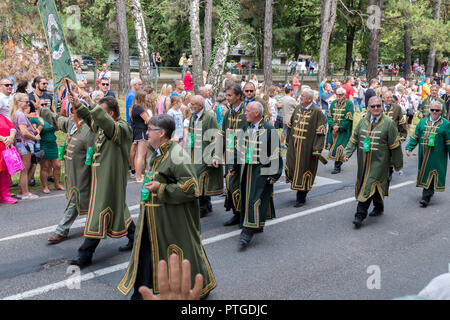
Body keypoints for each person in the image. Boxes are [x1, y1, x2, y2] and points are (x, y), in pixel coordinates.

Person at [117, 114, 216, 300]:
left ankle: (199, 287)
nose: (146, 133)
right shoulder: (158, 152)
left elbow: (191, 188)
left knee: (183, 251)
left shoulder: (177, 155)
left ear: (161, 133)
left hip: (172, 218)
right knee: (146, 253)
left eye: (150, 129)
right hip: (153, 217)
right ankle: (140, 294)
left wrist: (161, 188)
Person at [68, 93, 136, 268]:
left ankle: (85, 254)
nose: (95, 115)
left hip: (110, 178)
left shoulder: (122, 128)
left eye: (100, 111)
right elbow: (91, 118)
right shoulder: (102, 125)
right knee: (119, 207)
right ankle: (135, 237)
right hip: (102, 177)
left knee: (99, 213)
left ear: (110, 114)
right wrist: (78, 104)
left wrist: (91, 103)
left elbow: (105, 123)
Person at [36, 93, 98, 243]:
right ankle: (125, 227)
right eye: (70, 111)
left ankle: (61, 230)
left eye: (73, 111)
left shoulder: (91, 128)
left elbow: (95, 152)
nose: (69, 114)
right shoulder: (71, 124)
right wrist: (42, 109)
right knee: (95, 202)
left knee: (77, 200)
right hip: (72, 172)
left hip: (85, 173)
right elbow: (57, 120)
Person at [342, 96, 404, 228]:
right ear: (368, 108)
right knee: (373, 186)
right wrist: (347, 153)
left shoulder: (389, 123)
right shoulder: (363, 121)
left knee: (368, 184)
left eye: (378, 106)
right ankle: (379, 206)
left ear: (382, 107)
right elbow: (354, 138)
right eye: (373, 106)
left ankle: (359, 215)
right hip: (363, 161)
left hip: (380, 163)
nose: (376, 108)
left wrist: (397, 164)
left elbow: (395, 145)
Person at [232, 101, 282, 249]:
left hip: (261, 169)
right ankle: (256, 225)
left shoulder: (268, 128)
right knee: (247, 197)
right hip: (245, 169)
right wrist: (232, 165)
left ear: (256, 113)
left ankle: (247, 232)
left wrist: (274, 174)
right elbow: (238, 147)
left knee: (255, 198)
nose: (245, 113)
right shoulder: (246, 126)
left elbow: (275, 153)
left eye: (248, 111)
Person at [285, 88, 326, 207]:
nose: (300, 98)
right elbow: (291, 125)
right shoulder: (297, 108)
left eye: (302, 96)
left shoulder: (317, 112)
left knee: (304, 171)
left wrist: (317, 149)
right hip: (294, 146)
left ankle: (301, 197)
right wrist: (288, 140)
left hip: (307, 149)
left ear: (309, 99)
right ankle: (300, 190)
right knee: (292, 168)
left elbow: (320, 133)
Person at [212, 83, 246, 226]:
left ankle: (244, 215)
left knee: (242, 186)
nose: (227, 98)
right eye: (226, 95)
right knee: (231, 185)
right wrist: (217, 154)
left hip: (244, 158)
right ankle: (236, 213)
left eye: (230, 95)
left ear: (238, 96)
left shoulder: (247, 112)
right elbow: (222, 133)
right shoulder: (229, 112)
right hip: (230, 156)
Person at [405, 101, 449, 207]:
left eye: (437, 110)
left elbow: (449, 142)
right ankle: (428, 193)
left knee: (433, 173)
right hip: (423, 154)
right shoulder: (422, 122)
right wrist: (409, 148)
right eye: (432, 109)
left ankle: (426, 197)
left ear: (441, 111)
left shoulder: (446, 125)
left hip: (437, 155)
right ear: (429, 110)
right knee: (425, 172)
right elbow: (415, 136)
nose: (434, 112)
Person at [187, 95, 224, 217]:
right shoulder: (193, 116)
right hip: (195, 153)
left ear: (200, 106)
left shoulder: (209, 117)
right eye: (190, 103)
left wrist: (215, 155)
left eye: (193, 104)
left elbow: (215, 136)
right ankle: (207, 204)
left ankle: (202, 206)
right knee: (199, 178)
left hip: (206, 153)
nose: (190, 106)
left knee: (200, 178)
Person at [28, 99, 64, 194]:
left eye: (46, 104)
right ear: (36, 106)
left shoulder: (49, 116)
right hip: (43, 144)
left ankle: (57, 184)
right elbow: (35, 132)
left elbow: (56, 127)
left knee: (57, 165)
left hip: (53, 143)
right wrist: (41, 124)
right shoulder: (33, 119)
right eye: (42, 104)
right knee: (45, 166)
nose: (44, 106)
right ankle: (45, 186)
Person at [9, 93, 40, 200]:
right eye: (26, 101)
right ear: (19, 102)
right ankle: (25, 193)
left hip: (21, 143)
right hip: (25, 143)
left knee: (24, 169)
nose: (28, 104)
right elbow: (24, 131)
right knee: (25, 170)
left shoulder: (16, 113)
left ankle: (22, 191)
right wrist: (34, 137)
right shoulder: (20, 114)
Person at [327, 87, 354, 174]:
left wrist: (339, 127)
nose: (338, 96)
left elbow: (348, 118)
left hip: (343, 130)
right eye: (337, 95)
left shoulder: (349, 104)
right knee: (333, 147)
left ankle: (337, 166)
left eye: (340, 95)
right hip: (333, 130)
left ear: (344, 95)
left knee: (340, 147)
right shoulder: (333, 103)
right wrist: (333, 125)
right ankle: (337, 164)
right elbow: (329, 116)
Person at [131, 90, 151, 183]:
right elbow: (148, 120)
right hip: (142, 132)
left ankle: (138, 175)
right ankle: (138, 177)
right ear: (143, 98)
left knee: (137, 155)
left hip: (137, 131)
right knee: (141, 155)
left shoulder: (134, 107)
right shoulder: (140, 109)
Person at [0, 112, 17, 204]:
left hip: (6, 149)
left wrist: (11, 137)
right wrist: (2, 138)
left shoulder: (1, 116)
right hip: (2, 145)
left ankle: (5, 195)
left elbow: (12, 127)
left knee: (6, 173)